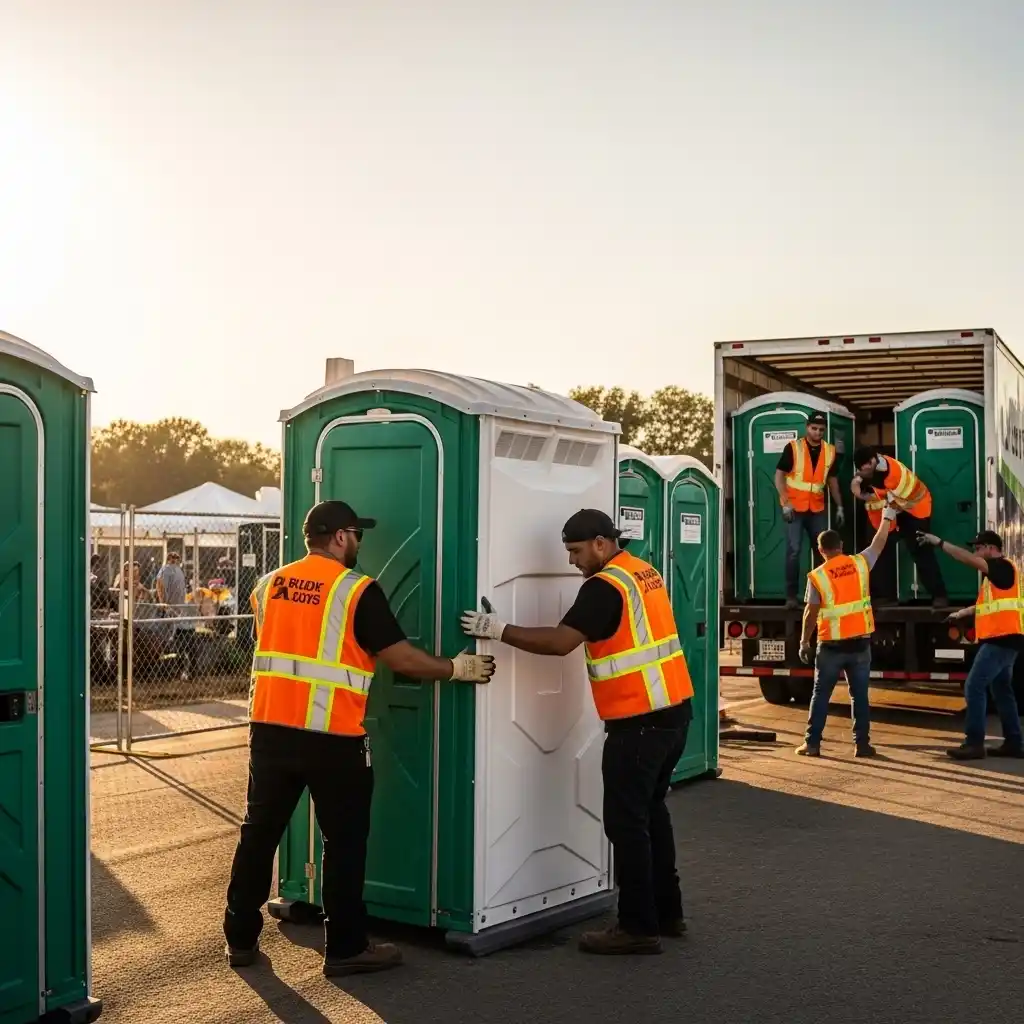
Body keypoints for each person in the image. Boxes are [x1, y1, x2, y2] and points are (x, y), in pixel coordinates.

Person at [223, 500, 496, 976]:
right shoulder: (356, 590)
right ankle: (346, 948)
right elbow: (402, 659)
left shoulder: (268, 585)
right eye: (357, 535)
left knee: (258, 835)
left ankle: (240, 939)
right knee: (344, 844)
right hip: (333, 737)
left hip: (269, 732)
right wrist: (457, 668)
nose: (359, 543)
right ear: (341, 537)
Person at [461, 508, 693, 957]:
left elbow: (560, 643)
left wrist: (497, 629)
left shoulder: (604, 587)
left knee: (626, 823)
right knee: (651, 813)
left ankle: (637, 928)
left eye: (575, 550)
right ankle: (668, 913)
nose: (571, 560)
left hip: (639, 722)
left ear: (601, 543)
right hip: (673, 712)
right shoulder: (642, 572)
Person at [795, 497, 898, 757]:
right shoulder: (860, 563)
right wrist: (887, 515)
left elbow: (810, 612)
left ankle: (812, 744)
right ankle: (862, 745)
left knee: (821, 695)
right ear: (841, 546)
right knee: (859, 696)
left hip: (830, 646)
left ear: (821, 550)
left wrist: (804, 642)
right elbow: (879, 542)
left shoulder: (818, 576)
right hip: (860, 644)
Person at [915, 529, 1024, 760]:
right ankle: (1014, 743)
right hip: (1007, 640)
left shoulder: (1001, 567)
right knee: (1002, 691)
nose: (975, 552)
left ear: (991, 548)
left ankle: (974, 744)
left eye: (978, 548)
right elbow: (986, 606)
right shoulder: (999, 575)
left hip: (1000, 641)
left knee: (974, 686)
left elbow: (965, 559)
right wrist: (961, 613)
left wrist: (940, 542)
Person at [852, 446, 948, 607]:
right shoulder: (873, 464)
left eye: (866, 468)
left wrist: (864, 495)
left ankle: (940, 595)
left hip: (916, 509)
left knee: (921, 551)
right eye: (862, 469)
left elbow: (894, 503)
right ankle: (884, 595)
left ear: (873, 461)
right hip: (897, 508)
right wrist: (858, 483)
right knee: (880, 548)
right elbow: (858, 481)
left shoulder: (893, 476)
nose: (864, 472)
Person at [774, 412, 845, 609]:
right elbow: (779, 476)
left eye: (821, 429)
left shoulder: (830, 451)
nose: (817, 432)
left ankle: (819, 595)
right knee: (794, 551)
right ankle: (791, 597)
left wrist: (839, 506)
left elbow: (832, 481)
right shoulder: (793, 447)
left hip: (817, 508)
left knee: (822, 551)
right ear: (807, 427)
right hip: (795, 508)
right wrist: (785, 503)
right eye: (814, 428)